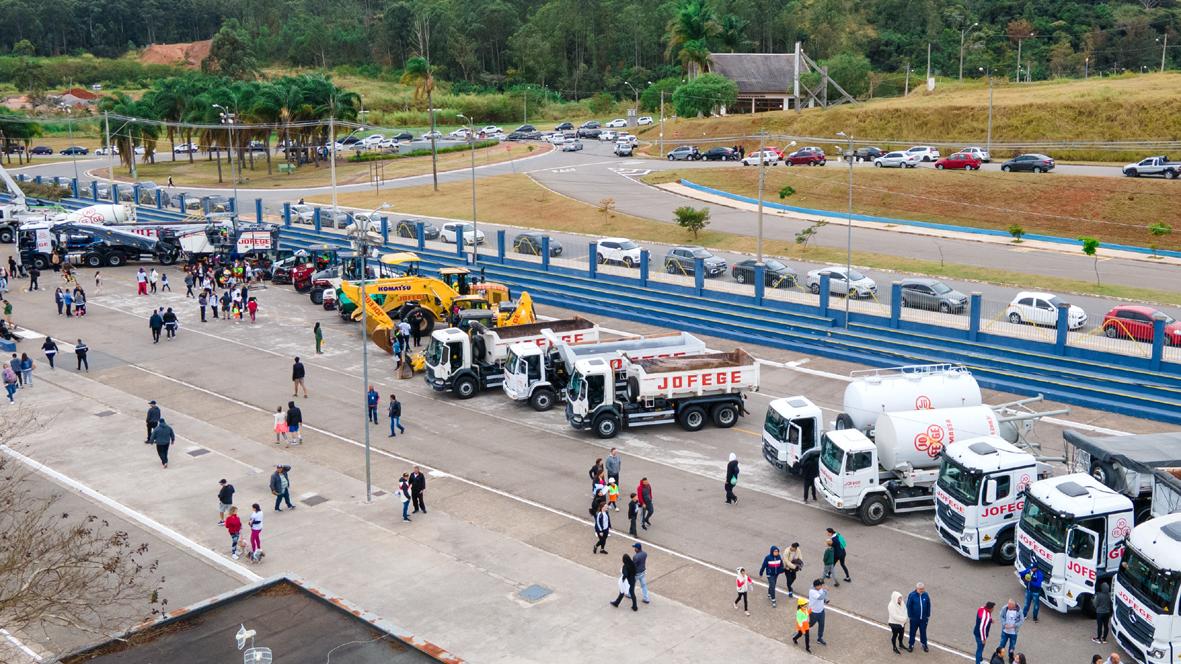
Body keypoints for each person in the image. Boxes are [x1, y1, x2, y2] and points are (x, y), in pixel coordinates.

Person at [907, 581, 932, 652]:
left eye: (923, 589)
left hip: (923, 619)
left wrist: (927, 615)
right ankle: (911, 645)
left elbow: (928, 605)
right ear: (917, 589)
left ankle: (924, 644)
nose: (922, 590)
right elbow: (909, 606)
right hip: (914, 619)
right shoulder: (912, 595)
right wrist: (910, 616)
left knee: (923, 632)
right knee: (912, 632)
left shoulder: (926, 595)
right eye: (920, 589)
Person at [998, 598, 1024, 663]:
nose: (1008, 605)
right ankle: (998, 655)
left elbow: (1021, 620)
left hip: (1013, 633)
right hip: (1005, 631)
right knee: (1002, 644)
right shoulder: (1005, 608)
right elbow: (1001, 616)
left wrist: (1014, 625)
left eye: (1009, 605)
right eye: (1008, 604)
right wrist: (1004, 624)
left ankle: (1010, 657)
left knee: (1012, 646)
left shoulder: (1019, 611)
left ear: (1013, 605)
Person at [809, 578, 829, 645]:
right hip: (814, 612)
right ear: (816, 586)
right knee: (811, 624)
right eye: (820, 585)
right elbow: (820, 597)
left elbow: (822, 596)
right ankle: (802, 629)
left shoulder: (819, 588)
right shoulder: (812, 591)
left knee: (822, 624)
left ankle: (820, 638)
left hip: (821, 611)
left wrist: (825, 600)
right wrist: (826, 591)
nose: (822, 586)